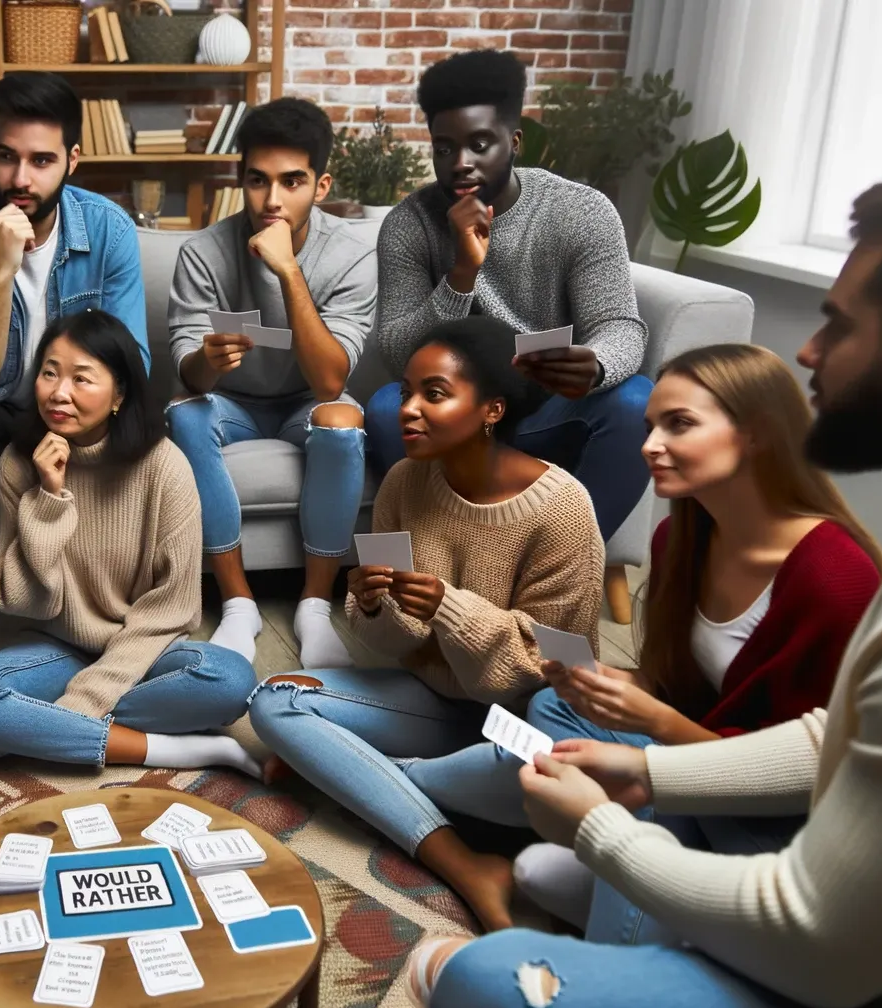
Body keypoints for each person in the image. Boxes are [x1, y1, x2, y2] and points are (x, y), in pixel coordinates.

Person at [410, 159, 882, 1008]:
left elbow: (818, 943)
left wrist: (605, 826)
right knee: (560, 751)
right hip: (838, 902)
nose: (810, 353)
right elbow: (845, 735)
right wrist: (644, 770)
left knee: (484, 978)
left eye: (838, 323)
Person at [401, 343, 882, 941]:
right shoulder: (679, 538)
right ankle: (613, 851)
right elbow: (687, 687)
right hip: (688, 754)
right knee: (554, 705)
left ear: (758, 433)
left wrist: (655, 725)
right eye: (651, 425)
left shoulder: (835, 579)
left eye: (678, 424)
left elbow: (801, 775)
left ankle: (413, 784)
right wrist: (627, 689)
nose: (649, 445)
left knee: (556, 852)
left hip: (775, 819)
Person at [248, 315, 604, 933]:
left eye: (433, 394)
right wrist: (377, 604)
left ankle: (359, 775)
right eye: (408, 390)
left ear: (491, 409)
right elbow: (389, 645)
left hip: (516, 729)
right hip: (432, 703)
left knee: (545, 770)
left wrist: (449, 608)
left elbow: (557, 665)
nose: (407, 409)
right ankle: (466, 863)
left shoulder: (564, 508)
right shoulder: (405, 481)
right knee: (274, 700)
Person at [0, 310, 260, 775]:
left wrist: (86, 698)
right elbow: (23, 601)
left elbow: (170, 610)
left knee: (231, 680)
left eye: (81, 379)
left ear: (119, 394)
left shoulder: (164, 466)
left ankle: (35, 730)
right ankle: (168, 749)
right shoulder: (18, 462)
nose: (59, 392)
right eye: (49, 373)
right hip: (48, 643)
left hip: (138, 645)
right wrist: (48, 498)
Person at [368, 49, 651, 548]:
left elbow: (620, 326)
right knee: (386, 408)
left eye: (480, 144)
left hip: (551, 409)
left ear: (514, 141)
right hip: (459, 412)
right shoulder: (408, 224)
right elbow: (395, 353)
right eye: (444, 148)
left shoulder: (579, 211)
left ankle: (563, 562)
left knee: (635, 402)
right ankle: (448, 562)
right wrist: (461, 273)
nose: (460, 164)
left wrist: (597, 364)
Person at [165, 97, 376, 670]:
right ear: (241, 180)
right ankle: (238, 603)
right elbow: (188, 372)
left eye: (292, 181)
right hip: (230, 402)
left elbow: (331, 381)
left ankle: (313, 604)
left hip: (308, 400)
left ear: (321, 184)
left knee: (343, 423)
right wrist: (209, 361)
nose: (273, 200)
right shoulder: (203, 251)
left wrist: (287, 270)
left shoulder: (353, 256)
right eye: (258, 181)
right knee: (183, 414)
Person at [0, 71, 147, 560]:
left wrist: (76, 414)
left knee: (147, 423)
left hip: (86, 412)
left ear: (72, 159)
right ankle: (18, 592)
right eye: (6, 157)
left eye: (42, 160)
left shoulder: (109, 229)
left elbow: (134, 363)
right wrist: (2, 271)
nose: (20, 179)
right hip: (6, 419)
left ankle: (106, 583)